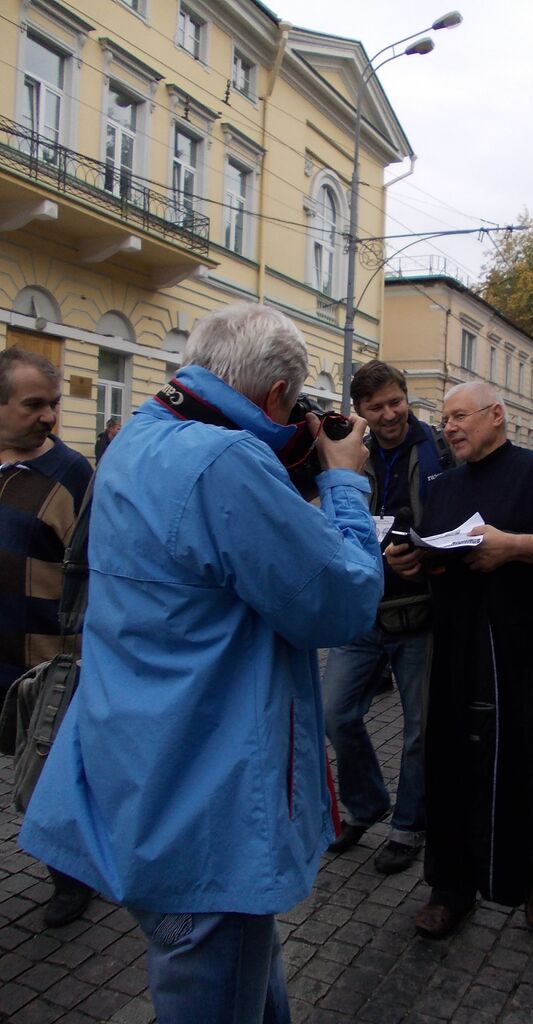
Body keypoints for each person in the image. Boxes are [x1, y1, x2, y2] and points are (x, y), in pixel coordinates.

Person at [19, 303, 384, 1023]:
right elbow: (339, 606)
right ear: (277, 396)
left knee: (246, 983)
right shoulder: (225, 459)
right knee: (218, 986)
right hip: (207, 805)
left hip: (141, 771)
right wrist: (344, 482)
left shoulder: (140, 437)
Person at [387, 382, 533, 937]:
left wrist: (513, 546)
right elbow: (440, 556)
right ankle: (451, 886)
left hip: (522, 637)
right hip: (457, 634)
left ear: (497, 415)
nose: (450, 426)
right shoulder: (445, 485)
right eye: (445, 418)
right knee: (448, 755)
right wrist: (416, 563)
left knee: (516, 757)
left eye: (460, 416)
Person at [323, 360, 452, 874]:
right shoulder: (351, 451)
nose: (389, 413)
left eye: (395, 401)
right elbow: (333, 516)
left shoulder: (438, 448)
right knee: (335, 713)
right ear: (361, 412)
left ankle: (408, 825)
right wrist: (378, 556)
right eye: (376, 407)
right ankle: (365, 804)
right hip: (363, 612)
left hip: (421, 613)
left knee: (420, 729)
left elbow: (463, 517)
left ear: (406, 396)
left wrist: (427, 555)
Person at [0, 347, 94, 928]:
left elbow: (94, 571)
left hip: (43, 666)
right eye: (33, 405)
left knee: (47, 783)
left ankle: (72, 876)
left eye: (53, 405)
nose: (48, 417)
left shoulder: (72, 473)